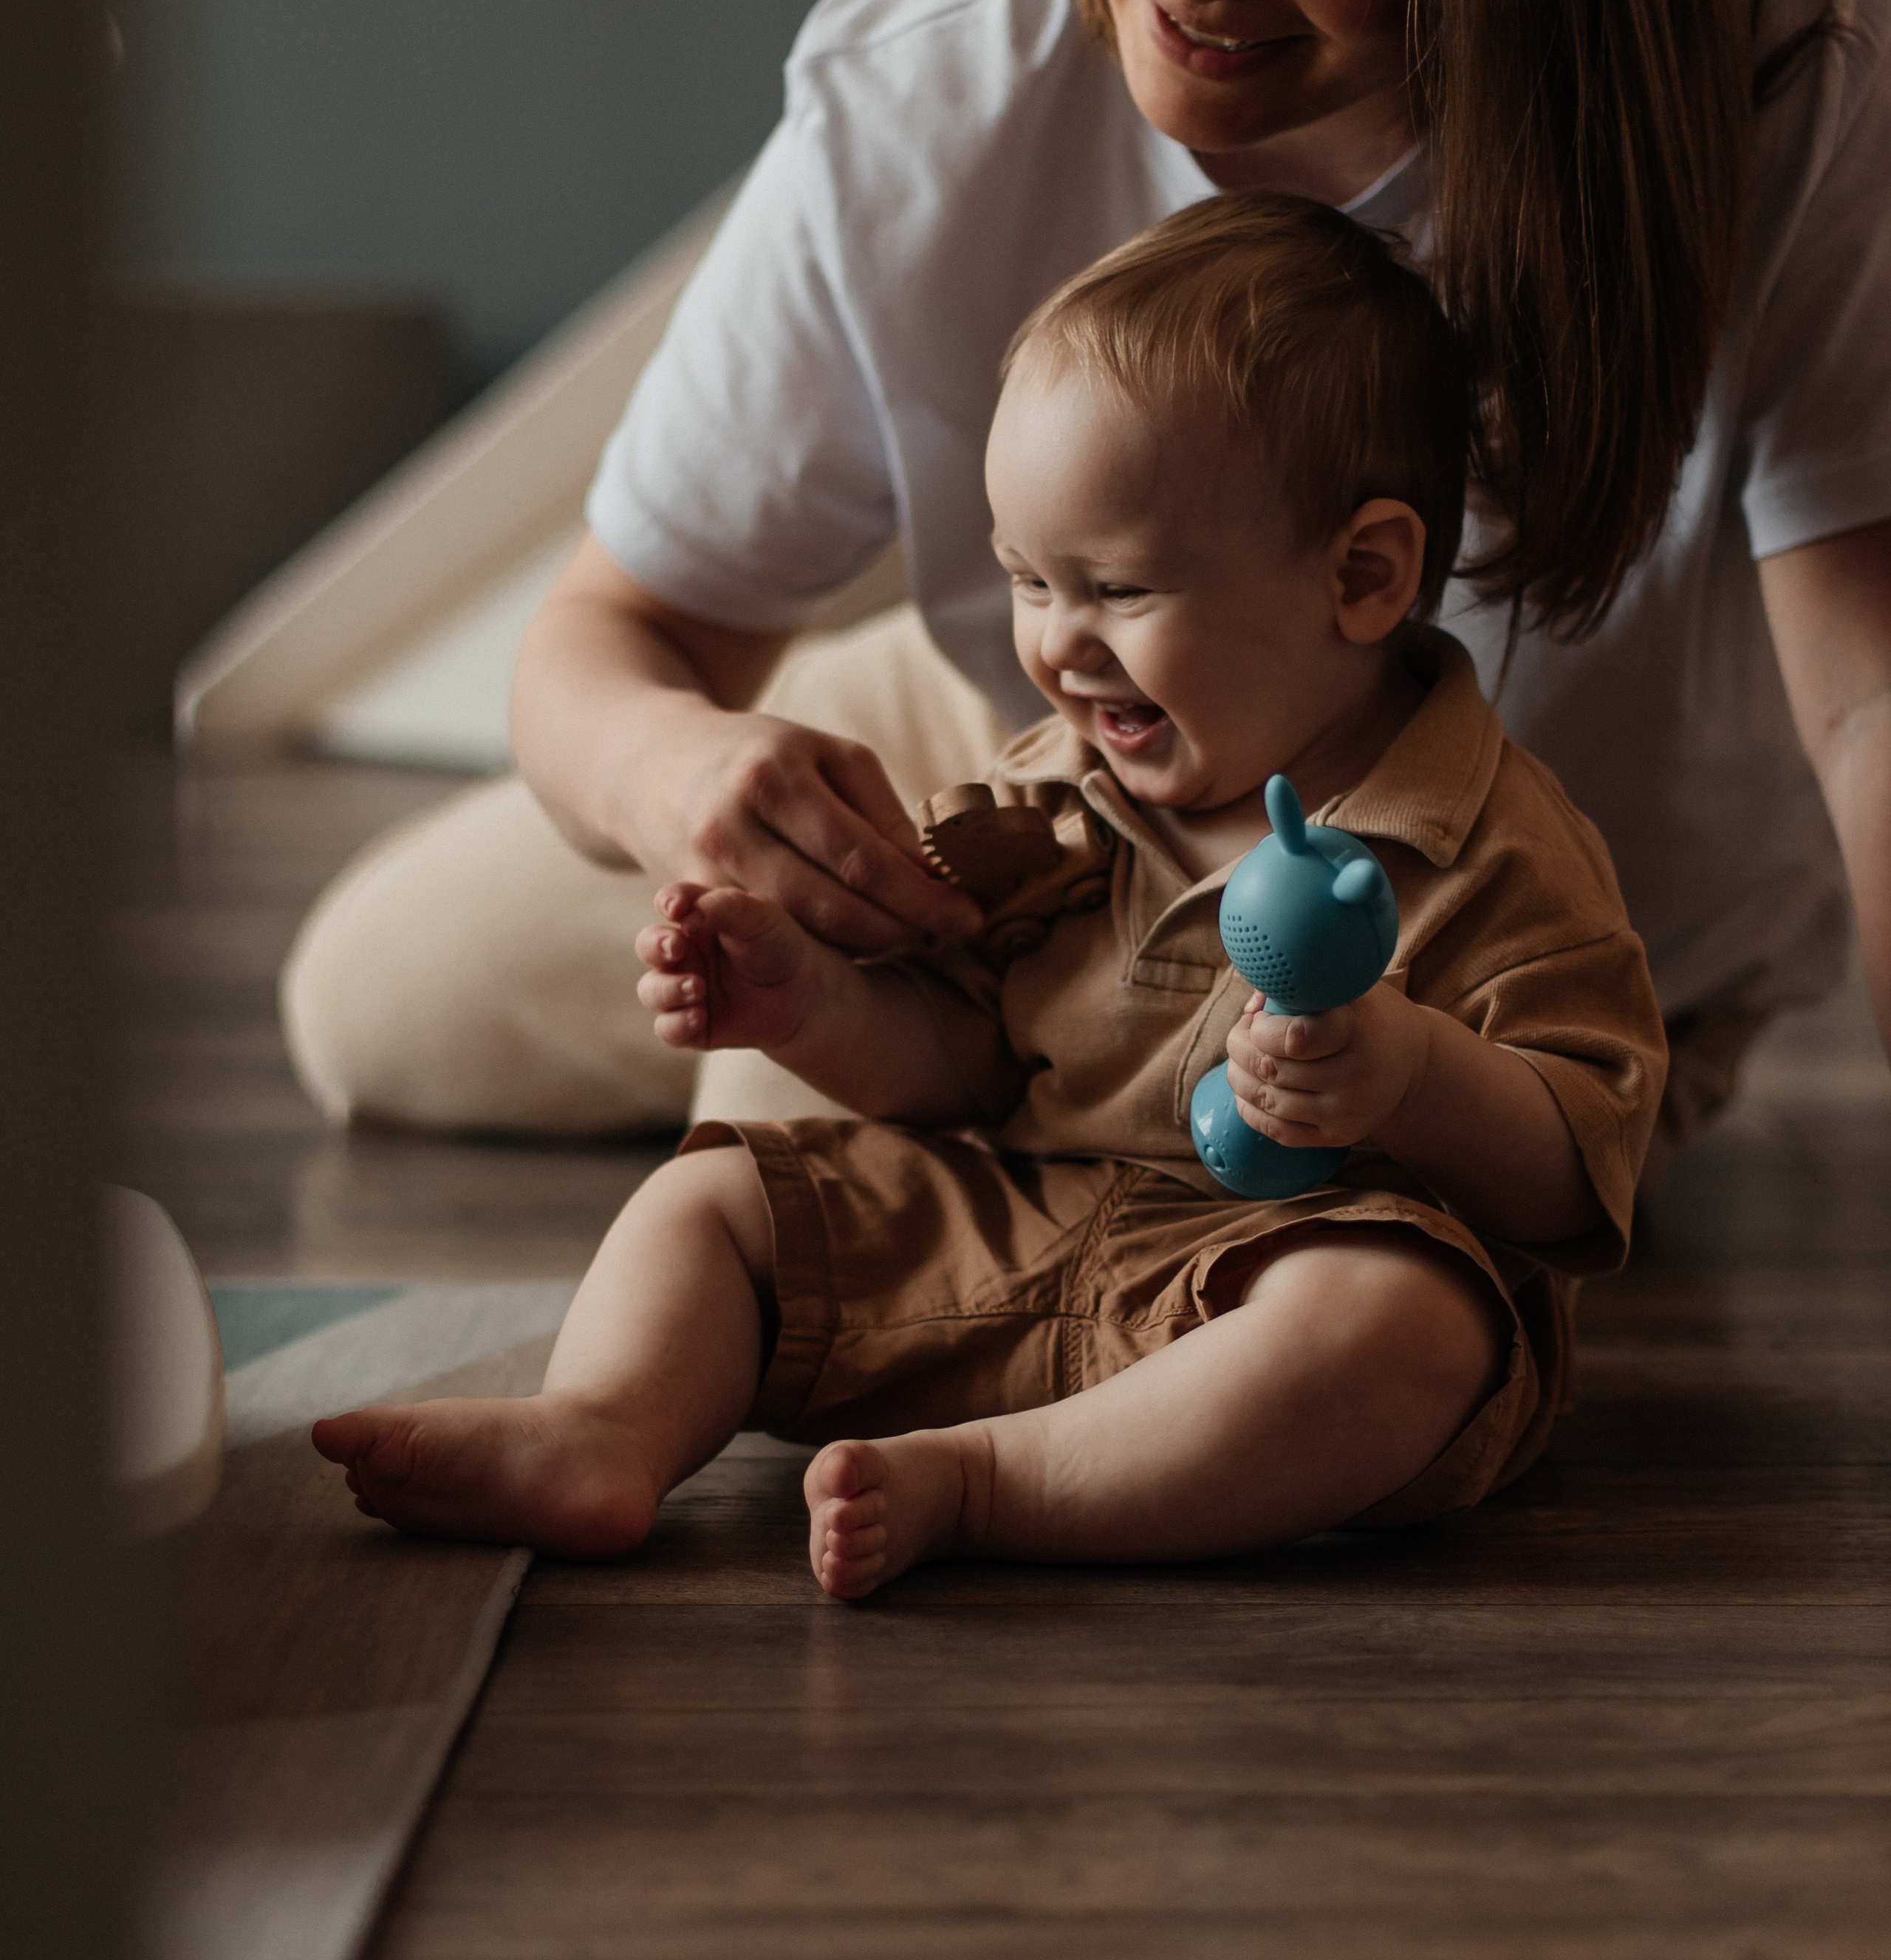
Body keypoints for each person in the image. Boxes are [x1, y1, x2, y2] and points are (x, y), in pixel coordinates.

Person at [281, 0, 1891, 1165]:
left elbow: (1869, 700)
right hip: (1070, 774)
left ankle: (1015, 1104)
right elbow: (614, 637)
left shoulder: (1802, 33)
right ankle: (1015, 1044)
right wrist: (685, 781)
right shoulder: (929, 87)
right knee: (381, 997)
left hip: (1510, 946)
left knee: (1061, 1214)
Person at [312, 198, 1666, 1586]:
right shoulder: (1048, 799)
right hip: (1019, 1226)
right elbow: (959, 1065)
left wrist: (1417, 1077)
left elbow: (1584, 1165)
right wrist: (804, 1007)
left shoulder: (1492, 843)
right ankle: (605, 1425)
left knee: (1402, 1330)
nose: (1059, 645)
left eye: (1119, 588)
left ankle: (989, 1481)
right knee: (714, 1197)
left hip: (1276, 1272)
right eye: (1027, 578)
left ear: (1362, 576)